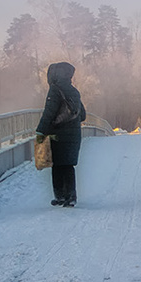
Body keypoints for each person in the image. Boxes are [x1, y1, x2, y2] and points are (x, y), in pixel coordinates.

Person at [35, 61, 88, 207]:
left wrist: (40, 131)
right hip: (74, 135)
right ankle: (71, 197)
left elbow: (49, 113)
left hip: (58, 134)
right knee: (68, 165)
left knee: (57, 165)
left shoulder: (55, 90)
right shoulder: (74, 91)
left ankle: (60, 197)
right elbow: (83, 115)